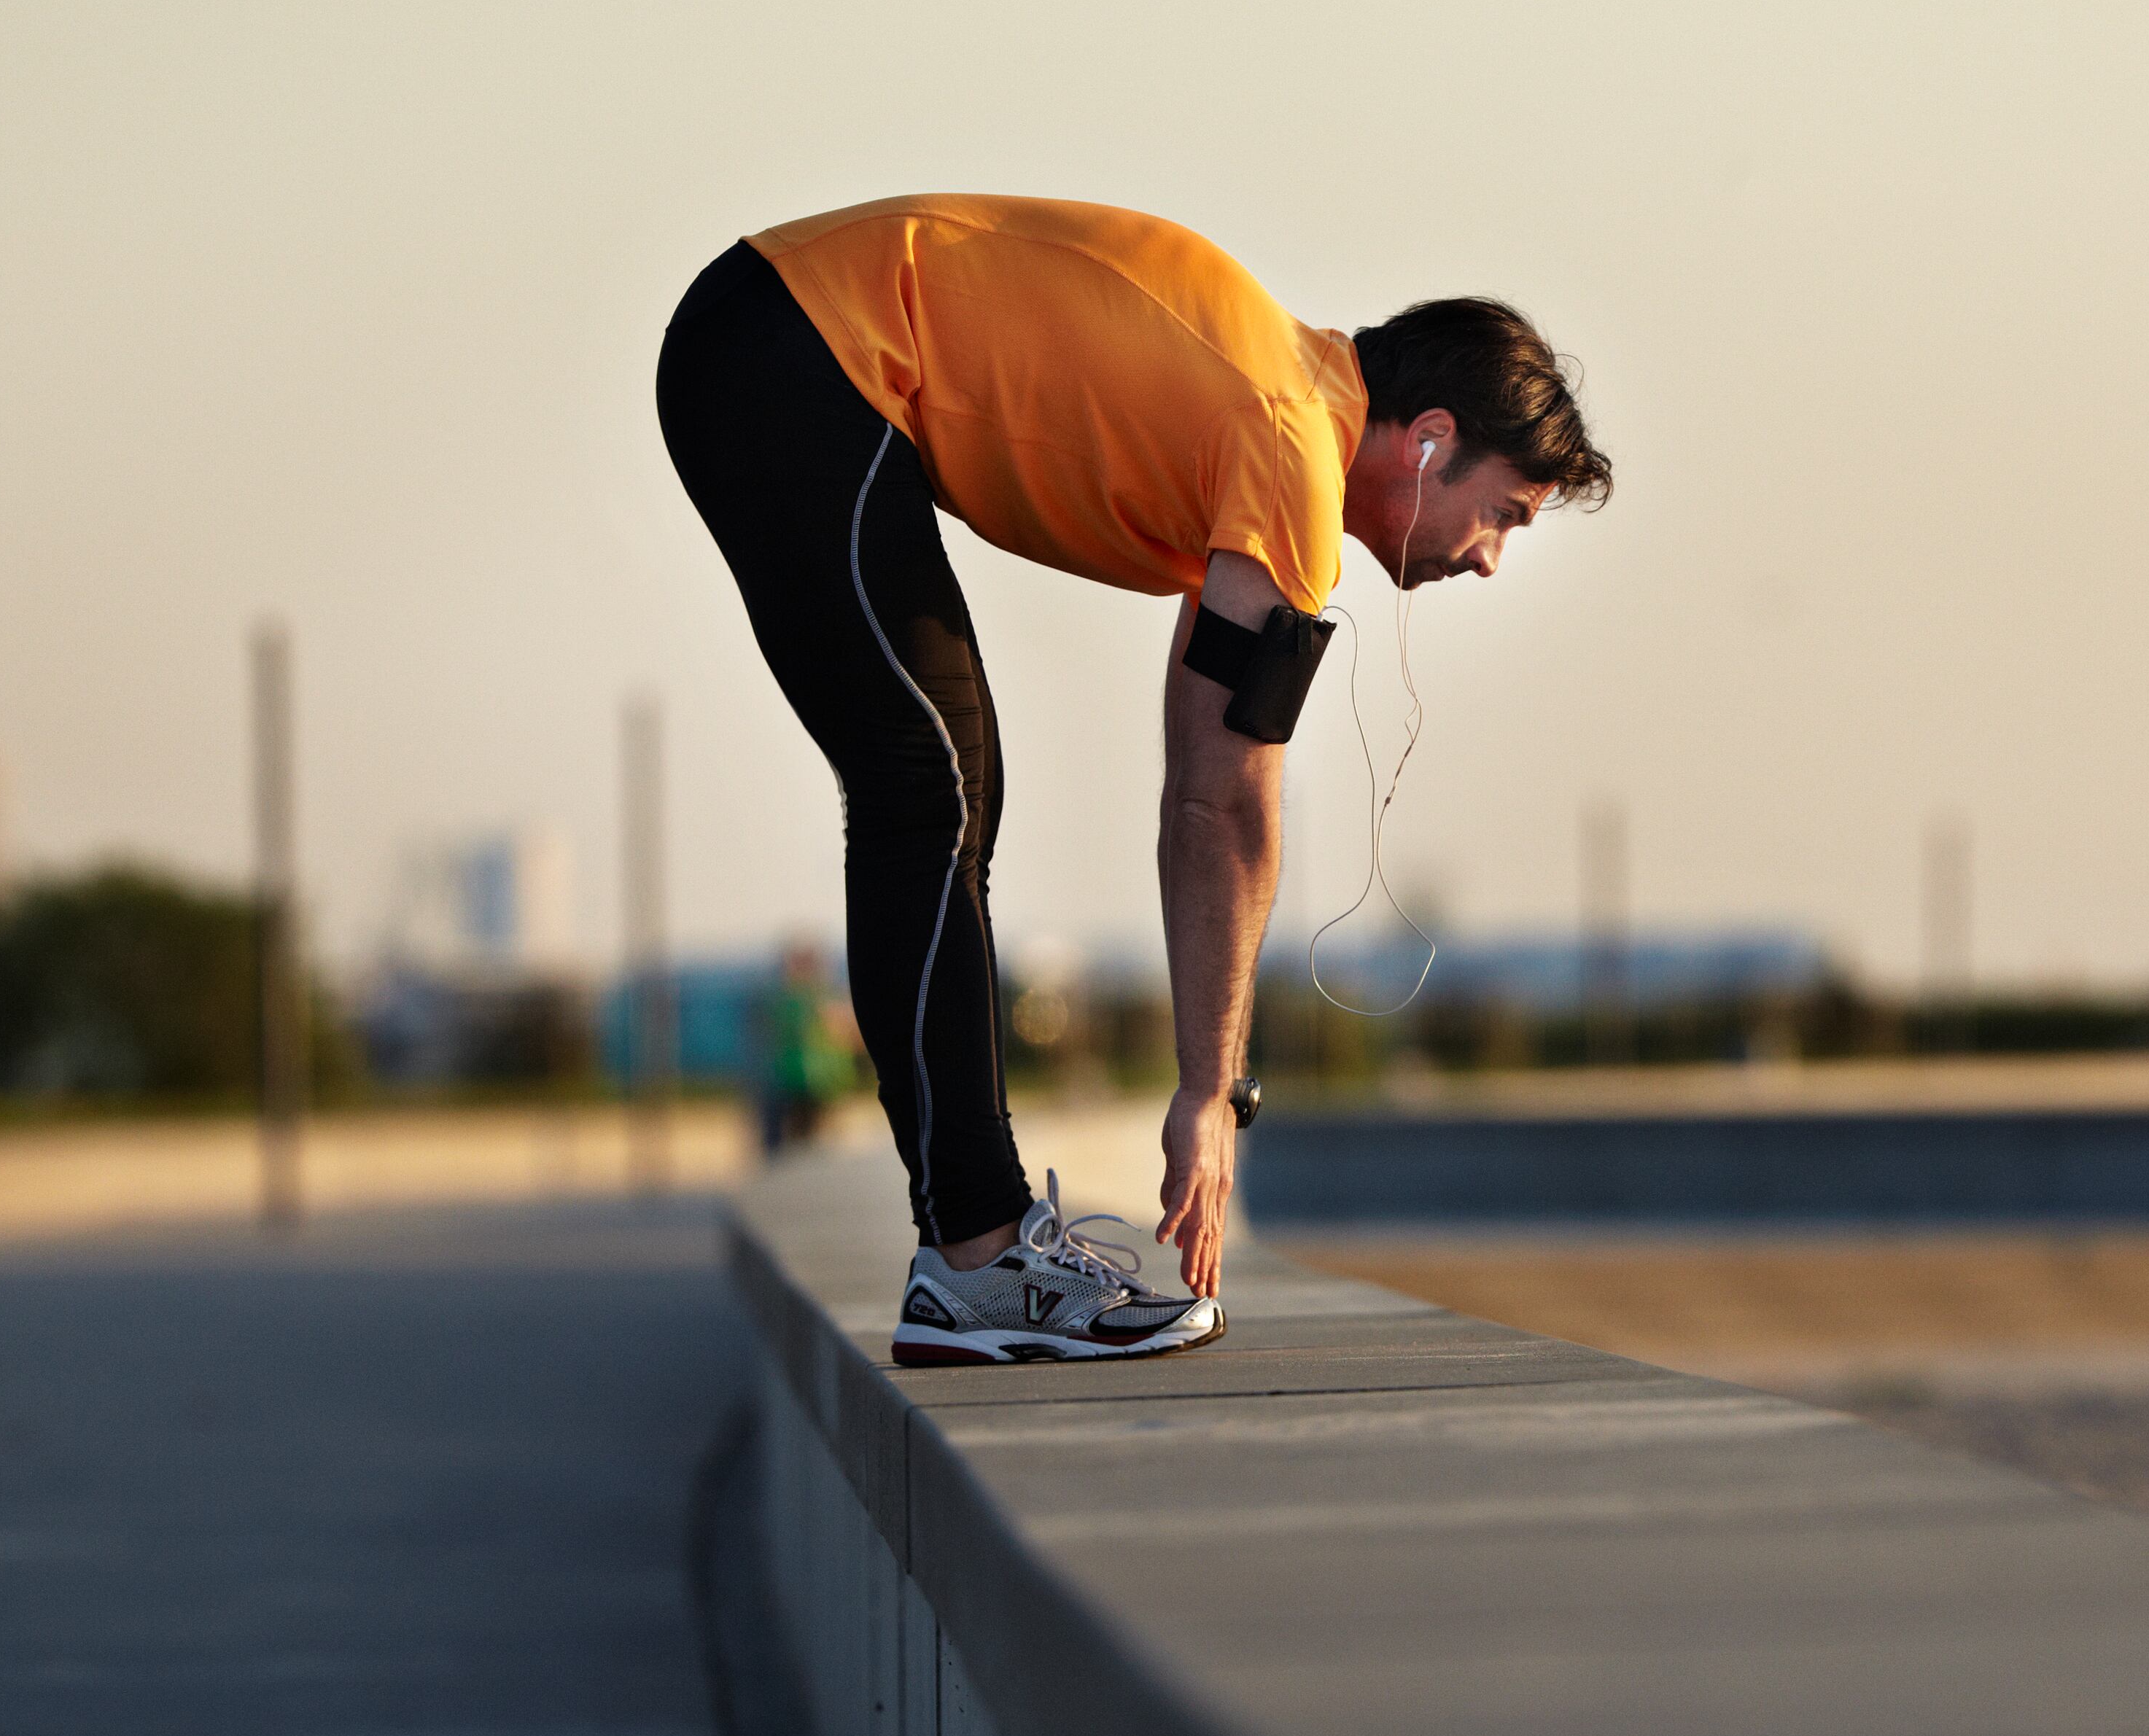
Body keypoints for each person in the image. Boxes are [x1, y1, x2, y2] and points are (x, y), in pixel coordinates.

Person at [656, 195, 1610, 1363]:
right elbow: (1226, 803)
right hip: (795, 345)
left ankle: (975, 1249)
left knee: (948, 787)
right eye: (1500, 513)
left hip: (780, 343)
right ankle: (976, 1258)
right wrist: (1211, 1094)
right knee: (932, 785)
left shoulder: (1280, 418)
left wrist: (1212, 1081)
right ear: (1427, 439)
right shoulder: (1288, 440)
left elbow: (1196, 785)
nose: (1491, 558)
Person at [754, 938, 852, 1159]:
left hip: (809, 1079)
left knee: (804, 1139)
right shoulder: (813, 996)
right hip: (801, 1079)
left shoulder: (798, 996)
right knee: (802, 1140)